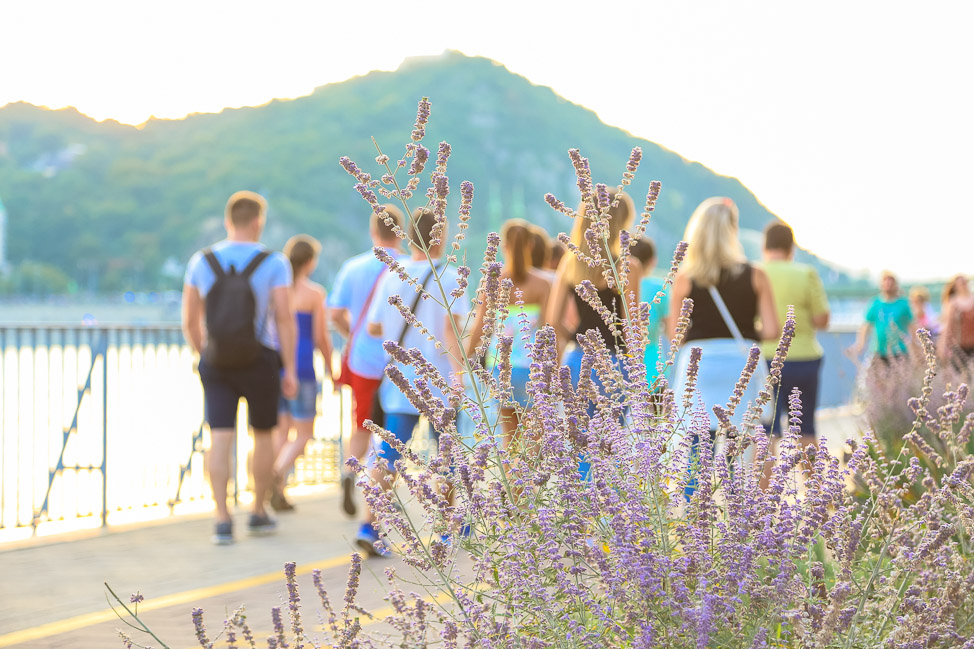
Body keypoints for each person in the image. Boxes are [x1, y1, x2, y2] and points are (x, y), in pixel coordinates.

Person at [182, 190, 296, 545]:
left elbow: (189, 320)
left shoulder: (201, 261)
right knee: (262, 435)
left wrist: (205, 353)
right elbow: (284, 318)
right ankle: (258, 512)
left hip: (216, 360)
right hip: (260, 359)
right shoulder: (274, 262)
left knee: (220, 436)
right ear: (258, 221)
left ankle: (221, 518)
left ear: (228, 220)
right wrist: (290, 368)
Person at [356, 207, 468, 556]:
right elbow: (453, 331)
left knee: (388, 454)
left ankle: (368, 524)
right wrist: (459, 376)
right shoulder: (450, 277)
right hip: (438, 381)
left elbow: (373, 327)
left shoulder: (392, 275)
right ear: (442, 237)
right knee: (445, 454)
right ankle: (447, 530)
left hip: (399, 382)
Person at [667, 197, 778, 497]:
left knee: (693, 445)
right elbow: (771, 329)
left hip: (699, 365)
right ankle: (737, 522)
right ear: (732, 230)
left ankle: (692, 523)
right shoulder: (756, 274)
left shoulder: (686, 278)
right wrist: (744, 331)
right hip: (740, 364)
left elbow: (674, 334)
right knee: (738, 449)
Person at [328, 204, 405, 517]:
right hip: (399, 361)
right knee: (393, 429)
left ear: (373, 230)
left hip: (363, 359)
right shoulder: (408, 268)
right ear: (399, 232)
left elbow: (334, 313)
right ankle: (382, 488)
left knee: (362, 422)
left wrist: (353, 336)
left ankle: (349, 472)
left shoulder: (352, 267)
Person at [467, 219, 551, 448]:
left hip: (501, 367)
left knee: (510, 440)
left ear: (504, 246)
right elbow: (547, 329)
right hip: (532, 367)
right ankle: (532, 483)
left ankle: (512, 484)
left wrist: (466, 357)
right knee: (535, 439)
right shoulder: (543, 285)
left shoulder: (494, 282)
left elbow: (481, 326)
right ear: (531, 245)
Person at [758, 222, 830, 486]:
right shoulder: (806, 273)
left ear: (765, 246)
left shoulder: (757, 273)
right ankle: (816, 503)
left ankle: (760, 509)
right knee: (806, 428)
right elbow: (822, 318)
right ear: (791, 247)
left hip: (765, 360)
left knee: (766, 432)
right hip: (806, 359)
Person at [547, 189, 642, 386]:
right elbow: (630, 326)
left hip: (576, 358)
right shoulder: (627, 267)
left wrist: (578, 337)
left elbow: (553, 320)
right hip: (614, 361)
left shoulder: (570, 262)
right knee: (615, 418)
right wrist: (637, 368)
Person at [269, 235, 334, 512]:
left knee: (282, 431)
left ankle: (278, 491)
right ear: (309, 262)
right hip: (303, 367)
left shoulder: (277, 293)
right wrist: (332, 368)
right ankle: (276, 473)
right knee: (305, 433)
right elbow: (320, 336)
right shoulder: (314, 293)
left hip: (277, 365)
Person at [630, 236, 669, 391]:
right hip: (653, 364)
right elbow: (671, 329)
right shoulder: (659, 288)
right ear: (653, 261)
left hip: (625, 363)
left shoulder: (619, 287)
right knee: (656, 413)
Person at [851, 271, 915, 363]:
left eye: (891, 281)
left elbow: (912, 325)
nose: (888, 283)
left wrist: (915, 345)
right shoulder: (875, 303)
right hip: (878, 351)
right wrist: (861, 344)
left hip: (900, 351)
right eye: (885, 280)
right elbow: (866, 325)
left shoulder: (903, 304)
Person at [938, 274, 974, 370]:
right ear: (955, 286)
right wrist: (943, 345)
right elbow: (947, 325)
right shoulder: (952, 302)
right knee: (962, 374)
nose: (963, 285)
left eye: (964, 282)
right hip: (958, 345)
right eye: (960, 283)